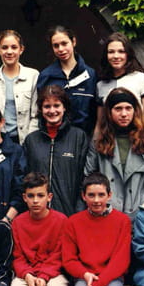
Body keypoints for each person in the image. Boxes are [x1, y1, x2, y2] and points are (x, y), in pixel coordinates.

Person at [85, 88, 144, 220]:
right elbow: (88, 177)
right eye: (118, 109)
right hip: (107, 214)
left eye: (128, 108)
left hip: (141, 213)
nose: (124, 114)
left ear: (135, 110)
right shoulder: (98, 142)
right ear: (109, 112)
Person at [23, 85, 88, 217]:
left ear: (64, 107)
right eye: (47, 106)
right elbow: (24, 179)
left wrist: (79, 211)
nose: (52, 111)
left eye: (56, 105)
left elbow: (84, 178)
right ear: (41, 109)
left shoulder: (78, 137)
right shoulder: (31, 140)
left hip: (70, 214)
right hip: (38, 215)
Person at [36, 25, 97, 134]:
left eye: (64, 43)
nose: (61, 49)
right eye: (56, 45)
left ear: (73, 42)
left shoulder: (90, 75)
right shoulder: (46, 76)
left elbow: (95, 112)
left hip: (84, 137)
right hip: (55, 137)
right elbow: (41, 111)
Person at [0, 30, 39, 145]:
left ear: (21, 49)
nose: (9, 52)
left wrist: (29, 142)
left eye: (14, 47)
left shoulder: (33, 76)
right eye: (4, 47)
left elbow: (36, 115)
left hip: (26, 140)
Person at [94, 32, 144, 137]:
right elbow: (100, 123)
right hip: (111, 141)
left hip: (138, 139)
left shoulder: (141, 78)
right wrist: (95, 142)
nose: (116, 56)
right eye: (111, 52)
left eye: (121, 51)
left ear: (128, 54)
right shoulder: (101, 85)